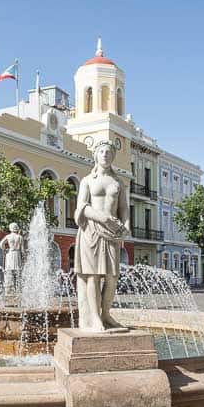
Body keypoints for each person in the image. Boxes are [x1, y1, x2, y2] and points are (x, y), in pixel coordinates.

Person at [73, 140, 130, 332]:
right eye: (101, 152)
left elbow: (124, 209)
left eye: (108, 152)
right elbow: (81, 206)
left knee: (112, 277)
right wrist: (102, 218)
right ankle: (94, 317)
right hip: (91, 231)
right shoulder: (87, 181)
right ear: (95, 155)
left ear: (113, 157)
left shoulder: (118, 182)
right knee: (93, 277)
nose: (105, 154)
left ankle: (106, 313)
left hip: (112, 234)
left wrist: (126, 227)